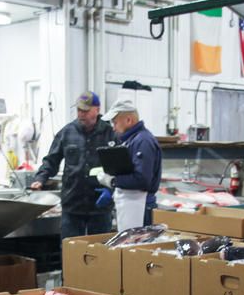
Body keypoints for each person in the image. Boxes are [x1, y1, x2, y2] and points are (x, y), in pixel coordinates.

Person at [30, 91, 116, 239]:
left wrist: (111, 189)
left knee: (100, 253)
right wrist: (41, 178)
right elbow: (51, 160)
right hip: (73, 205)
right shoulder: (67, 133)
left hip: (100, 205)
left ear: (97, 110)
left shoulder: (110, 134)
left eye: (85, 111)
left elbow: (118, 166)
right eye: (79, 110)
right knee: (70, 252)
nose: (81, 114)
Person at [96, 99, 162, 231]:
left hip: (141, 207)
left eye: (115, 122)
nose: (113, 128)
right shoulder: (131, 140)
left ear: (128, 120)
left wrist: (113, 181)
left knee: (137, 249)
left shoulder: (143, 141)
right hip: (132, 204)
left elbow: (142, 180)